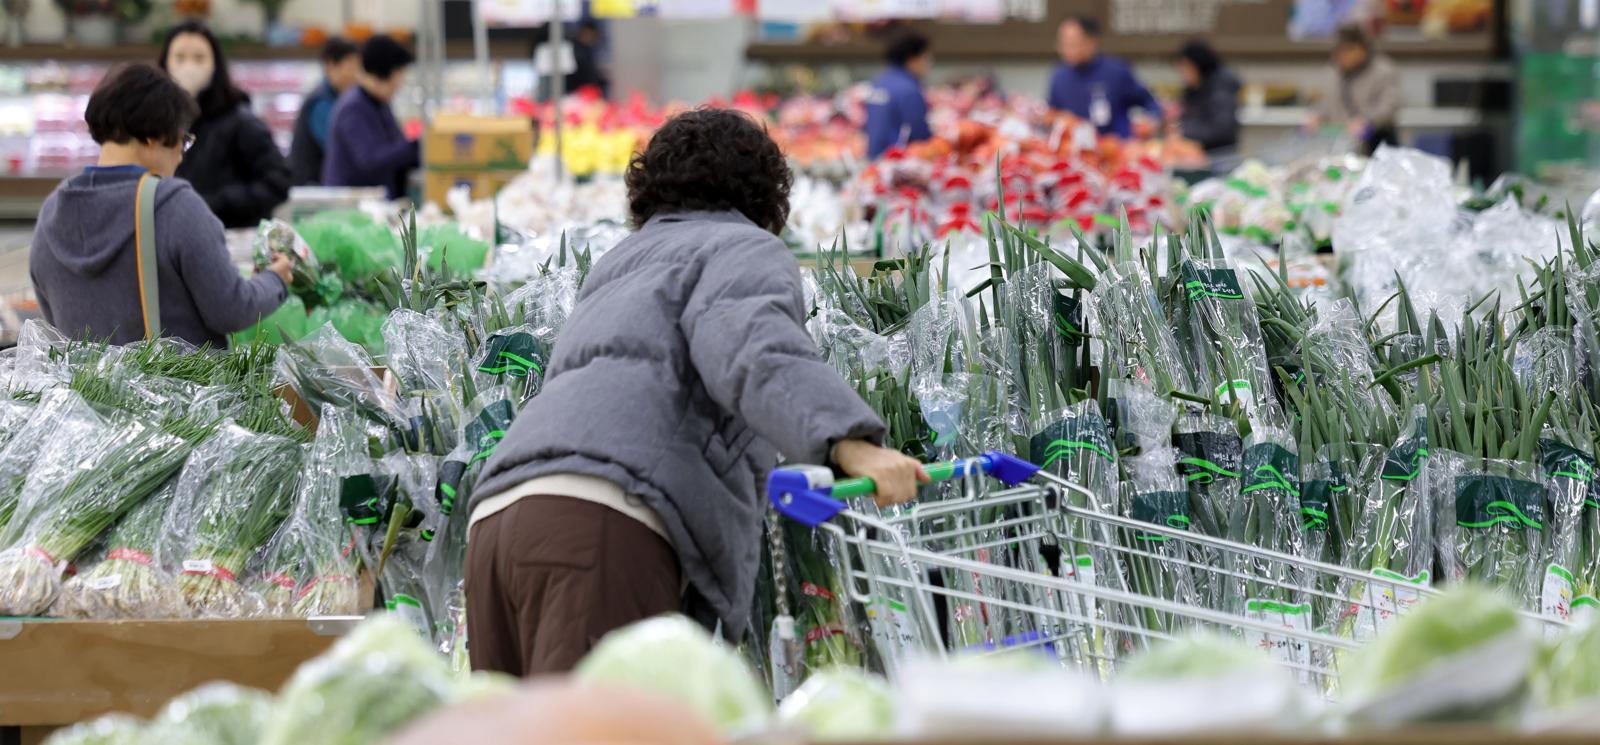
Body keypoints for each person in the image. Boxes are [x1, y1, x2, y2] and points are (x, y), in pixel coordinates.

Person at [464, 108, 927, 676]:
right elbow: (755, 348)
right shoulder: (741, 249)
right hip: (603, 526)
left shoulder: (617, 264)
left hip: (498, 518)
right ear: (766, 196)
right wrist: (853, 445)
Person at [30, 63, 292, 347]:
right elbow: (231, 310)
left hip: (85, 389)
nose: (181, 155)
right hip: (181, 389)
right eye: (183, 139)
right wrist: (275, 281)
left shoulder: (52, 211)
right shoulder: (175, 207)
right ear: (153, 136)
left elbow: (53, 321)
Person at [158, 21, 291, 228]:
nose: (189, 66)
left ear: (215, 64)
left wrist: (218, 202)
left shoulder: (241, 122)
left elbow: (277, 182)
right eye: (180, 57)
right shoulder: (157, 121)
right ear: (165, 63)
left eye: (199, 58)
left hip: (228, 235)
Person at [322, 35, 419, 200]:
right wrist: (415, 147)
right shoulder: (353, 108)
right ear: (383, 73)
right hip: (350, 208)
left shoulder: (380, 103)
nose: (400, 82)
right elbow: (371, 161)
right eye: (399, 73)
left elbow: (395, 145)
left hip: (373, 202)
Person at [1047, 16, 1160, 138]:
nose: (1066, 49)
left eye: (1072, 43)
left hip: (1116, 146)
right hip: (1075, 150)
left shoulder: (1116, 71)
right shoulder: (1059, 76)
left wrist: (1150, 121)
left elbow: (1149, 102)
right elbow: (1051, 113)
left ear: (1092, 41)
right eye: (1063, 43)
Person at [1307, 24, 1400, 154]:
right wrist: (1316, 116)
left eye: (1347, 50)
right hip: (1340, 144)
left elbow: (1388, 108)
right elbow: (1323, 101)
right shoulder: (1332, 71)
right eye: (1338, 52)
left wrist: (1367, 122)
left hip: (1376, 144)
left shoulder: (1383, 70)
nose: (1341, 57)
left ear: (1362, 49)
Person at [289, 37, 361, 186]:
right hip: (312, 191)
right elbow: (337, 149)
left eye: (358, 69)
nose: (355, 76)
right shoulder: (321, 103)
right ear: (330, 66)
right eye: (350, 68)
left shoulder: (337, 99)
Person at [864, 28, 933, 159]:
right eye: (926, 57)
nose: (929, 63)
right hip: (897, 164)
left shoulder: (877, 84)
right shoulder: (908, 90)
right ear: (912, 58)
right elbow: (920, 135)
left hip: (874, 160)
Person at [1171, 40, 1240, 152]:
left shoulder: (1220, 89)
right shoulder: (1194, 89)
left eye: (1186, 68)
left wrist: (1182, 131)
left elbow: (1222, 130)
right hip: (1198, 152)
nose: (1183, 74)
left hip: (1218, 157)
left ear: (1197, 65)